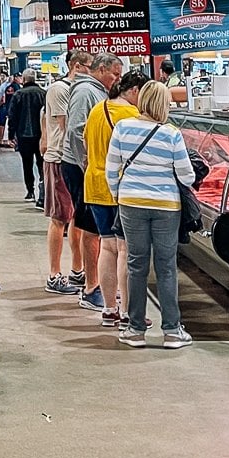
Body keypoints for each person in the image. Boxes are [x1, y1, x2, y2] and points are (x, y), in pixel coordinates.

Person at [105, 78, 196, 349]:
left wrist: (119, 195)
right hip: (166, 206)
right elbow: (187, 176)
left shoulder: (123, 128)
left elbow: (112, 170)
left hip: (131, 203)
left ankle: (135, 330)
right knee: (166, 267)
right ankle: (171, 331)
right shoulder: (172, 134)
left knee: (136, 264)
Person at [83, 68, 150, 327]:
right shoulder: (133, 116)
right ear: (134, 91)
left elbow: (86, 145)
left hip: (95, 185)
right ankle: (128, 312)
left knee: (107, 247)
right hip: (122, 189)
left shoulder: (97, 109)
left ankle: (109, 308)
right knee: (125, 250)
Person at [62, 53, 122, 308]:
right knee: (91, 227)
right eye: (115, 74)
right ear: (100, 70)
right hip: (81, 168)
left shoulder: (97, 92)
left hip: (91, 168)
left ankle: (96, 280)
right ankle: (91, 287)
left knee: (93, 227)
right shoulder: (87, 91)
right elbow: (76, 129)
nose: (116, 80)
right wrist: (87, 163)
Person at [40, 67, 84, 296]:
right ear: (77, 66)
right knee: (59, 218)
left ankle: (77, 269)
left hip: (72, 161)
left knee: (76, 216)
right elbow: (64, 125)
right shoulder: (59, 89)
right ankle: (54, 275)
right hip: (59, 159)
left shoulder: (77, 90)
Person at [6, 69, 46, 201]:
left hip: (23, 135)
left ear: (24, 79)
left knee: (27, 163)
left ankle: (30, 191)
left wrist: (11, 135)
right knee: (42, 164)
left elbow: (12, 116)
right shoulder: (44, 94)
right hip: (41, 135)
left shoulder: (18, 95)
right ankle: (43, 189)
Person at [0, 72, 20, 149]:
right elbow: (3, 98)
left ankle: (1, 140)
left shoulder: (4, 86)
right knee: (12, 124)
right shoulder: (16, 87)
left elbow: (1, 97)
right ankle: (13, 141)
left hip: (3, 107)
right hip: (9, 107)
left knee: (2, 124)